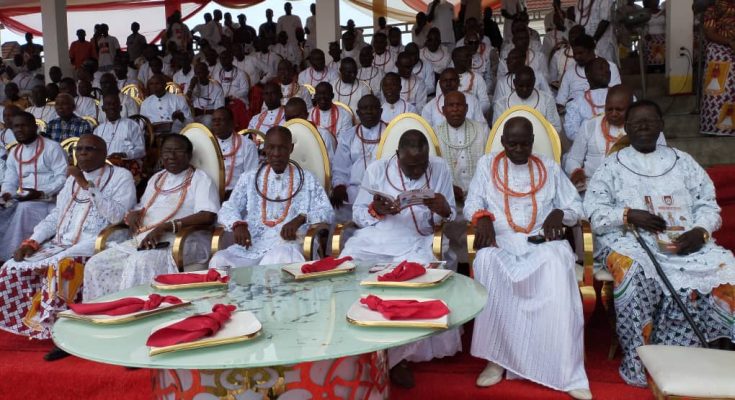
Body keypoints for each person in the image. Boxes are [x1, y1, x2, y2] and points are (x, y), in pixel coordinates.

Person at [583, 100, 735, 387]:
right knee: (633, 272)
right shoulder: (611, 165)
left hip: (686, 240)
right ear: (626, 128)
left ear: (661, 125)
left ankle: (720, 349)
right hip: (631, 242)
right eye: (636, 122)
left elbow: (708, 204)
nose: (643, 126)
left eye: (650, 121)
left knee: (728, 266)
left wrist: (700, 232)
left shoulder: (683, 161)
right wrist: (628, 214)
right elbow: (592, 209)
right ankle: (641, 358)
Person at [466, 116, 591, 399]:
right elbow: (473, 202)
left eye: (525, 143)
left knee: (560, 259)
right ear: (503, 142)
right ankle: (496, 359)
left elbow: (575, 206)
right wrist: (481, 217)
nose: (519, 149)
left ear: (533, 142)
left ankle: (566, 369)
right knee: (486, 261)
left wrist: (561, 213)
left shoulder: (548, 166)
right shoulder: (487, 165)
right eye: (513, 144)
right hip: (502, 240)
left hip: (540, 242)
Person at [341, 130, 459, 388]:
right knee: (348, 259)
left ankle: (397, 357)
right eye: (410, 166)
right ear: (398, 155)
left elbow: (448, 215)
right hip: (378, 237)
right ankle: (352, 340)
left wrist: (443, 210)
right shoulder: (377, 169)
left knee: (424, 274)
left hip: (418, 240)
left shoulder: (439, 169)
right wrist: (376, 210)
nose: (416, 171)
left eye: (421, 165)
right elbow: (359, 214)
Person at [0, 134, 135, 360]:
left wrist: (86, 184)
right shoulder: (71, 180)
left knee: (61, 265)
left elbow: (119, 216)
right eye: (79, 149)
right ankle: (26, 323)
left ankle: (61, 336)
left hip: (98, 241)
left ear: (103, 153)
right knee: (11, 266)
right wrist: (32, 241)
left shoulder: (121, 176)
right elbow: (55, 216)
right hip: (61, 241)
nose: (82, 153)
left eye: (89, 149)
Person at [83, 134, 220, 300]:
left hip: (183, 240)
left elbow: (208, 215)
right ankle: (102, 311)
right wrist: (134, 214)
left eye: (178, 151)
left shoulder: (201, 179)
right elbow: (144, 206)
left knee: (140, 262)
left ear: (189, 155)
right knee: (96, 264)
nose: (172, 156)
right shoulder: (157, 178)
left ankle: (137, 311)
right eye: (167, 151)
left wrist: (166, 227)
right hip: (146, 238)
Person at [210, 125, 333, 268]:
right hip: (253, 244)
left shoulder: (307, 178)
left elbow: (327, 212)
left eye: (282, 148)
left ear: (291, 148)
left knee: (278, 259)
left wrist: (300, 219)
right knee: (220, 260)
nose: (276, 153)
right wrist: (238, 225)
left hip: (288, 245)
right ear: (264, 148)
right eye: (271, 148)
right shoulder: (249, 177)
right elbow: (228, 207)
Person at [565, 85, 664, 192]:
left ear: (631, 108)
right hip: (592, 185)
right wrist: (576, 172)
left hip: (633, 187)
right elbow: (573, 159)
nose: (613, 114)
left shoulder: (645, 130)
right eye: (609, 109)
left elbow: (660, 159)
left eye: (619, 110)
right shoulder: (589, 125)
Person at [0, 112, 68, 262]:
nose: (19, 130)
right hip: (23, 198)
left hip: (49, 199)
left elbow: (63, 178)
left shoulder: (52, 147)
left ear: (35, 127)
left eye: (23, 125)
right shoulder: (15, 152)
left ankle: (12, 255)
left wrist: (41, 193)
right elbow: (10, 182)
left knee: (25, 209)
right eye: (15, 127)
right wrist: (5, 195)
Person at [435, 91, 489, 269]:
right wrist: (448, 188)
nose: (455, 109)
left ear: (467, 108)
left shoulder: (481, 129)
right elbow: (430, 171)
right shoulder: (434, 133)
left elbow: (489, 165)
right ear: (443, 110)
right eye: (451, 105)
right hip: (449, 202)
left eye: (459, 105)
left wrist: (476, 191)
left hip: (480, 200)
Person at [331, 94, 385, 221]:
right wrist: (339, 186)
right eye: (365, 108)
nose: (369, 112)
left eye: (373, 108)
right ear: (358, 112)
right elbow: (340, 167)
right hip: (355, 192)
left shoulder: (390, 132)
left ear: (381, 111)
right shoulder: (348, 136)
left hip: (383, 193)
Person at [556, 34, 621, 108]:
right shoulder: (569, 72)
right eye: (575, 53)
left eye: (581, 53)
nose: (577, 57)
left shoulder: (609, 67)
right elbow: (560, 101)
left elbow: (617, 94)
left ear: (591, 51)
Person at [701, 0, 735, 136]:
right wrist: (730, 42)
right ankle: (716, 126)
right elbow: (709, 32)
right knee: (719, 60)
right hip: (721, 45)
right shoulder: (713, 7)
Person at [493, 66, 561, 134]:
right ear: (514, 83)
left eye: (528, 86)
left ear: (534, 82)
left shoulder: (547, 100)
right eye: (521, 86)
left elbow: (555, 128)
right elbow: (497, 130)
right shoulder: (501, 104)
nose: (524, 89)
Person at [210, 108, 258, 196]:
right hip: (210, 193)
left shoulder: (247, 145)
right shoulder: (207, 143)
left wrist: (234, 194)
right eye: (214, 120)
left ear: (231, 123)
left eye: (221, 120)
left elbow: (251, 177)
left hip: (237, 195)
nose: (216, 123)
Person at [564, 57, 611, 142]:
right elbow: (571, 131)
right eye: (601, 68)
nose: (607, 71)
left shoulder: (622, 96)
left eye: (608, 68)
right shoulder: (577, 102)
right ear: (588, 74)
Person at [94, 94, 145, 162]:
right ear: (103, 108)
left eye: (114, 104)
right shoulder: (98, 130)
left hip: (127, 163)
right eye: (108, 104)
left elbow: (141, 150)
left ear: (120, 107)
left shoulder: (132, 125)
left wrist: (125, 155)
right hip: (104, 165)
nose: (112, 107)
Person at [309, 82, 353, 149]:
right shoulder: (309, 114)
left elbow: (344, 142)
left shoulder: (345, 115)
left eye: (326, 94)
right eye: (319, 94)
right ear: (315, 96)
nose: (322, 97)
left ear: (332, 96)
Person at [449, 47, 491, 115]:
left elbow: (485, 103)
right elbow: (440, 102)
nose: (470, 60)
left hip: (473, 117)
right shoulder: (445, 79)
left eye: (470, 57)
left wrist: (471, 114)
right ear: (455, 59)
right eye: (466, 57)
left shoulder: (477, 78)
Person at [643, 0, 666, 71]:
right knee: (651, 62)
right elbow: (643, 27)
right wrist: (645, 34)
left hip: (663, 40)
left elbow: (668, 25)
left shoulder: (664, 12)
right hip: (650, 40)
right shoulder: (645, 13)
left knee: (663, 62)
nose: (655, 2)